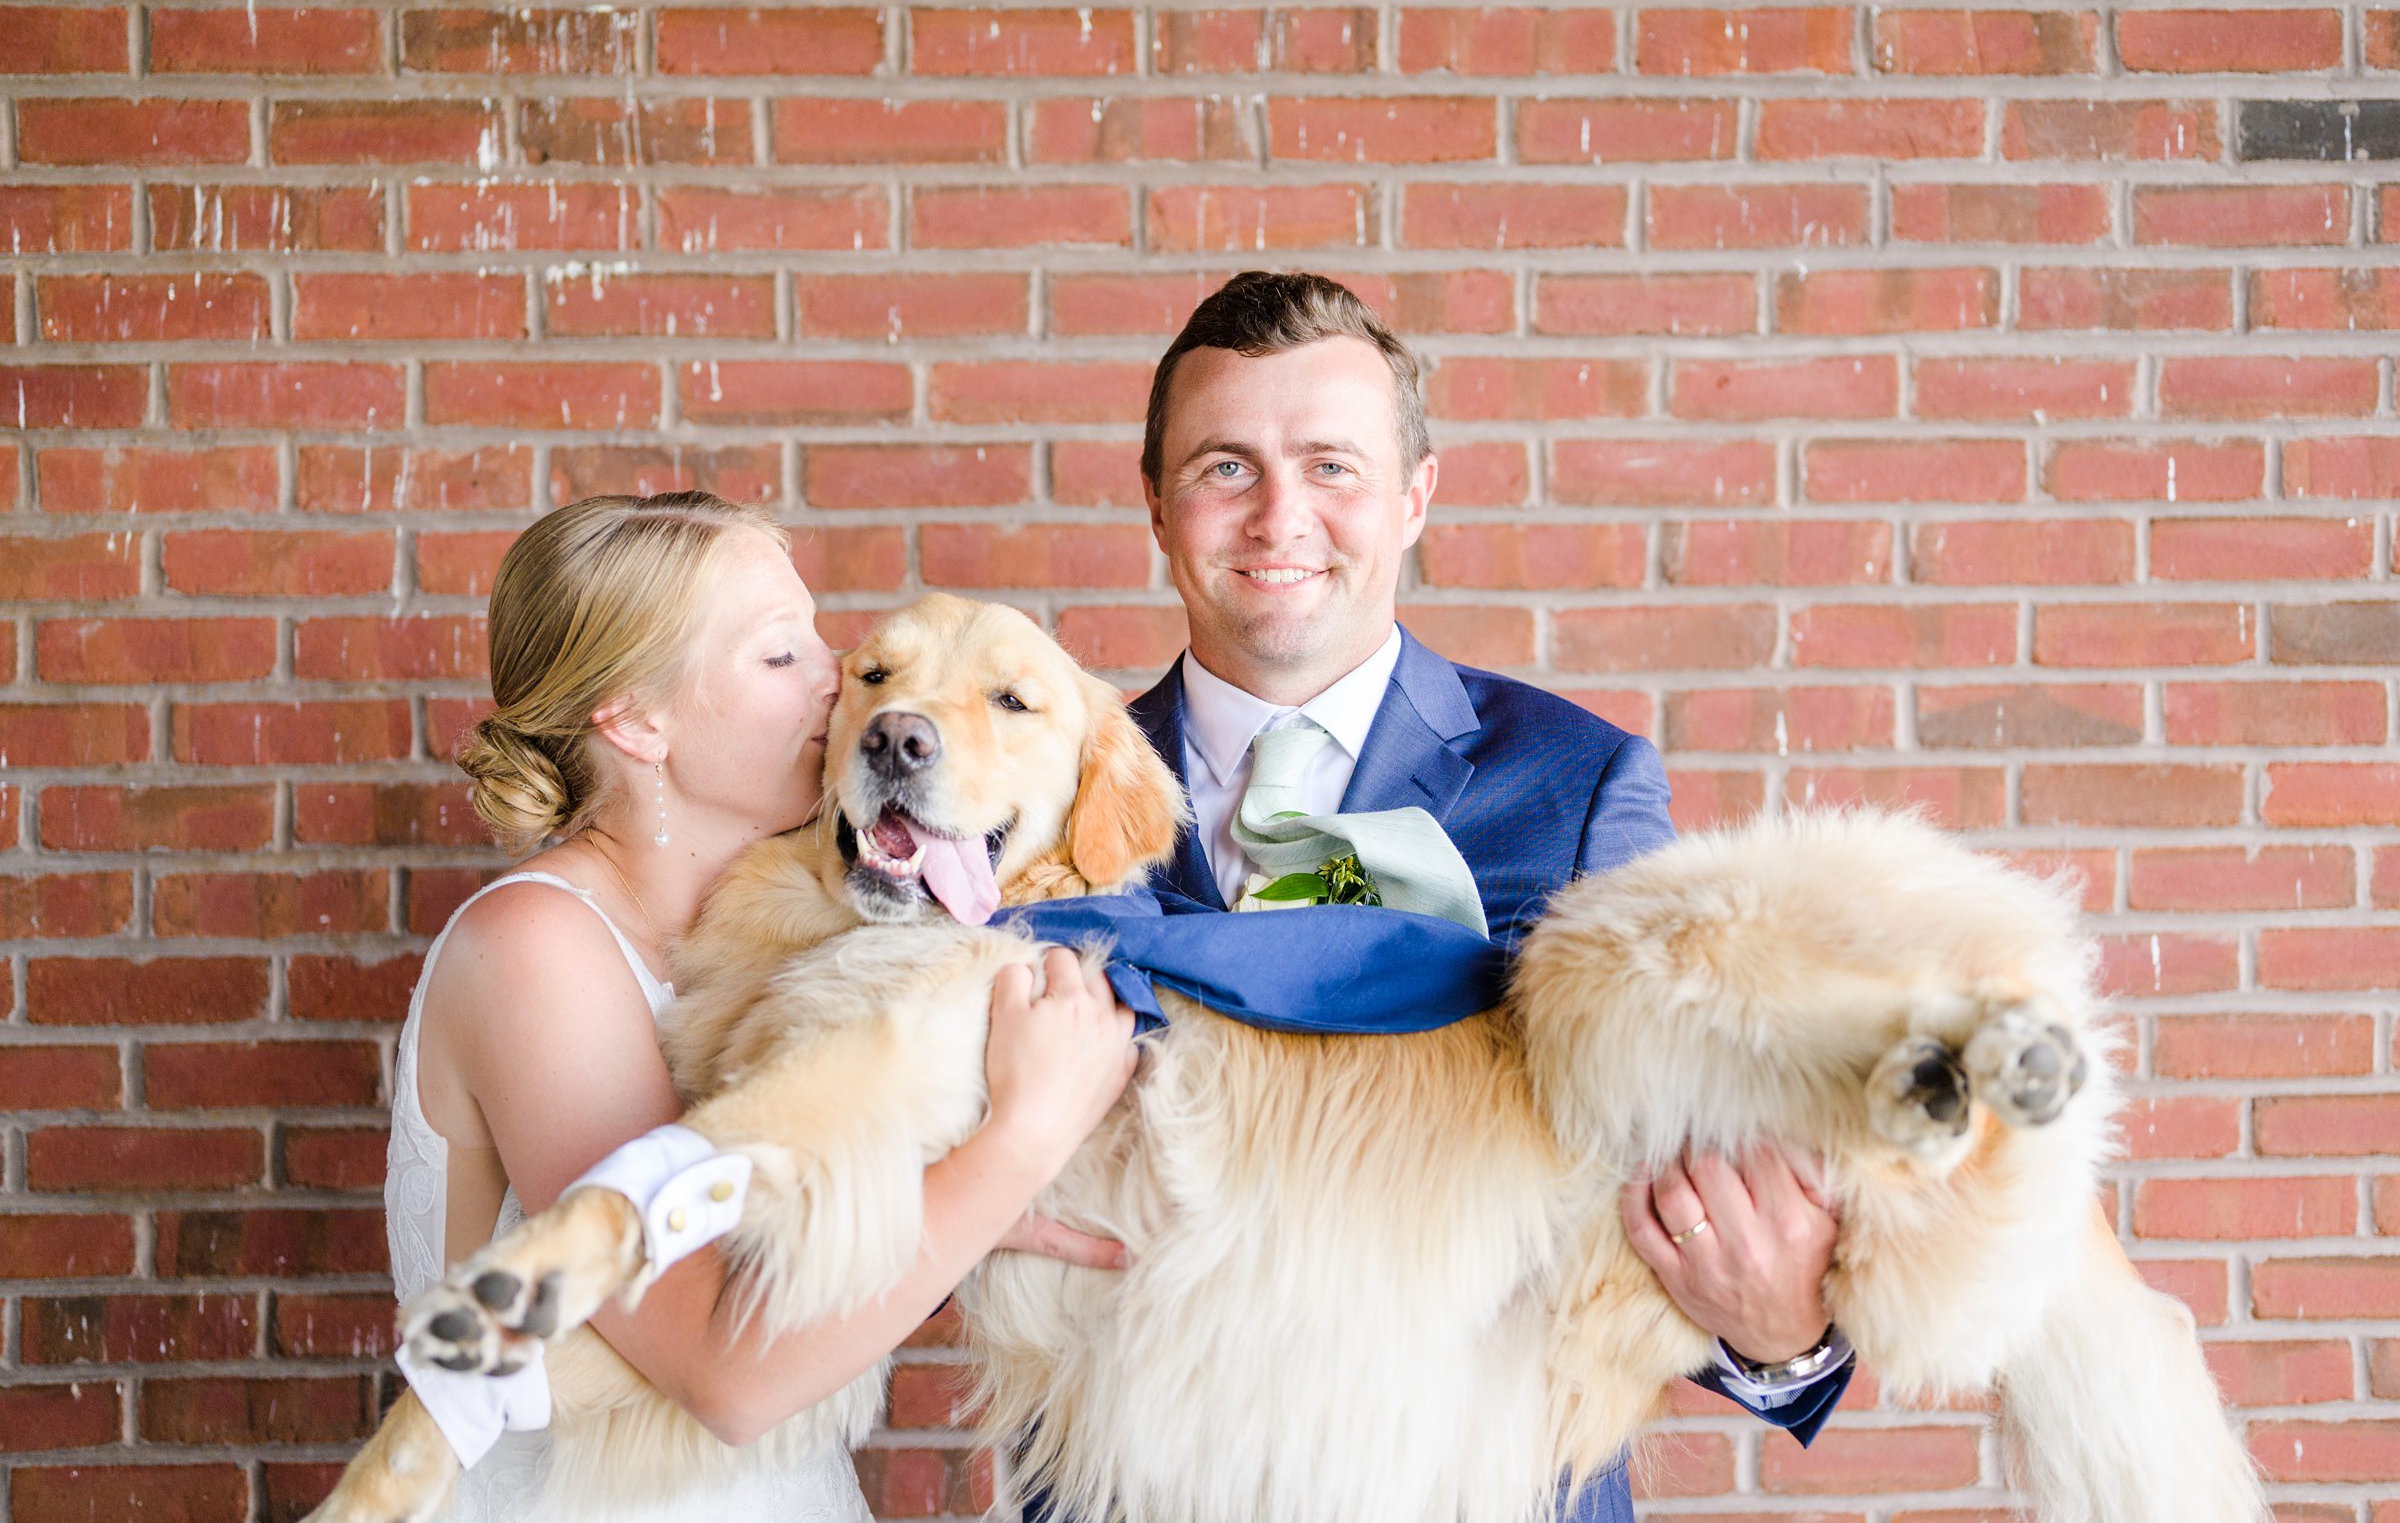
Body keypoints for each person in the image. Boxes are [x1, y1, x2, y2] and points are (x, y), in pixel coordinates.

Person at [1120, 272, 1852, 1520]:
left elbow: (1686, 1151)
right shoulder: (1033, 798)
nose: (1278, 515)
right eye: (1225, 468)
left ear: (1414, 497)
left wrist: (1786, 1337)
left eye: (1333, 466)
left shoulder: (1578, 784)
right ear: (1157, 503)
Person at [393, 490, 1137, 1522]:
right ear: (640, 719)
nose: (850, 688)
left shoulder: (785, 946)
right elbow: (723, 1368)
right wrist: (1021, 1141)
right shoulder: (534, 950)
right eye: (783, 657)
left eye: (832, 648)